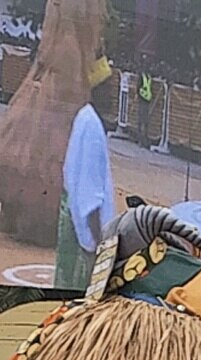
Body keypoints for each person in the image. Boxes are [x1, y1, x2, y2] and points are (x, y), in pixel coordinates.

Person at [56, 58, 119, 291]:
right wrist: (98, 246)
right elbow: (90, 197)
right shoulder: (92, 127)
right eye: (109, 88)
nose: (113, 95)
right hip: (87, 236)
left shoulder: (85, 116)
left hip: (74, 221)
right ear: (98, 90)